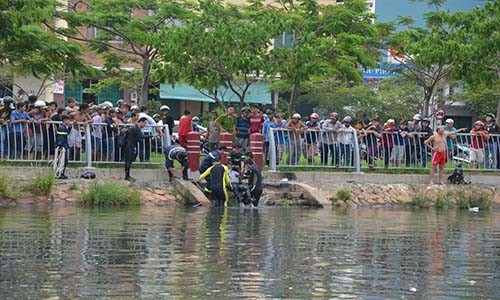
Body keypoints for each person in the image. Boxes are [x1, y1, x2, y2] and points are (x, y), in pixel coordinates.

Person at [123, 117, 148, 182]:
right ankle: (127, 176)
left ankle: (127, 175)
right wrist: (153, 135)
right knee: (128, 161)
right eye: (144, 123)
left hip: (129, 145)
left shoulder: (135, 128)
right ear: (141, 122)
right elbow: (141, 137)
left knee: (129, 161)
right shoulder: (136, 128)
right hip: (130, 146)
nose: (145, 125)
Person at [54, 115, 72, 179]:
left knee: (63, 161)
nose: (69, 121)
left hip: (64, 145)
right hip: (62, 146)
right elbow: (61, 138)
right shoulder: (62, 128)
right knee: (62, 161)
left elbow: (66, 134)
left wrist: (70, 127)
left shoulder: (63, 127)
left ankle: (61, 173)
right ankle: (60, 173)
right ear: (65, 120)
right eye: (68, 120)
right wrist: (60, 146)